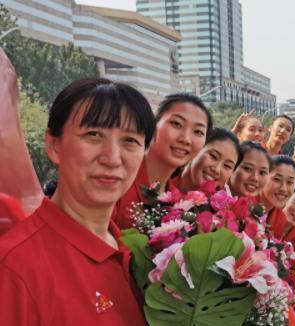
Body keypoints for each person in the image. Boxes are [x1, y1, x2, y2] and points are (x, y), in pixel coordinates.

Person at [0, 78, 156, 324]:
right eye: (93, 135)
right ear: (53, 145)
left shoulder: (136, 255)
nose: (112, 158)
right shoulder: (15, 269)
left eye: (129, 141)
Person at [114, 92, 211, 229]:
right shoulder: (117, 176)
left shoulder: (180, 204)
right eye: (176, 124)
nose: (185, 139)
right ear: (154, 124)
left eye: (198, 132)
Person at [174, 128, 242, 192]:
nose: (217, 170)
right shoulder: (164, 181)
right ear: (197, 149)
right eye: (213, 156)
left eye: (227, 166)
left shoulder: (226, 204)